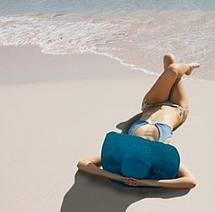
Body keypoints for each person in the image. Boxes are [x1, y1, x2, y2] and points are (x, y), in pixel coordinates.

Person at [77, 54, 199, 189]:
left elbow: (83, 163)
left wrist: (115, 177)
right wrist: (147, 183)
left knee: (169, 62)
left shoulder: (124, 153)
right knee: (172, 68)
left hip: (151, 103)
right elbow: (190, 181)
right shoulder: (161, 157)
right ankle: (189, 67)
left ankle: (184, 69)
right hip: (177, 107)